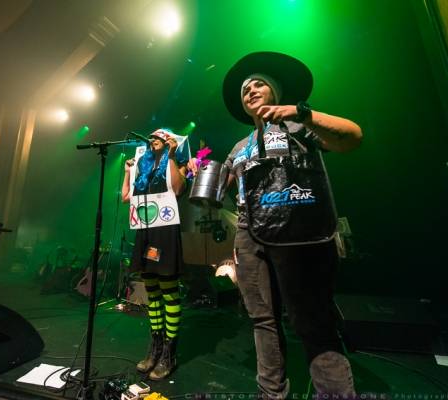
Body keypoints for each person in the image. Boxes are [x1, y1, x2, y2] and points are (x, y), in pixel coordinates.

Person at [190, 52, 363, 397]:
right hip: (249, 235)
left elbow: (353, 137)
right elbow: (216, 197)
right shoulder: (239, 147)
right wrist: (202, 175)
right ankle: (271, 393)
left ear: (276, 91)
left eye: (258, 84)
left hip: (296, 232)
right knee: (262, 320)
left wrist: (302, 113)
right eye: (245, 89)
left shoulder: (298, 126)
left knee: (312, 321)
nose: (250, 90)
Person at [122, 128, 189, 380]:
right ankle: (155, 348)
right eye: (152, 138)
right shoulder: (143, 168)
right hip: (145, 230)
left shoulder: (179, 163)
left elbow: (178, 189)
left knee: (169, 291)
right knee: (151, 290)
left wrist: (171, 156)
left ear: (169, 141)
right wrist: (128, 173)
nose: (153, 140)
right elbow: (126, 197)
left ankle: (169, 354)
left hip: (165, 230)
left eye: (159, 137)